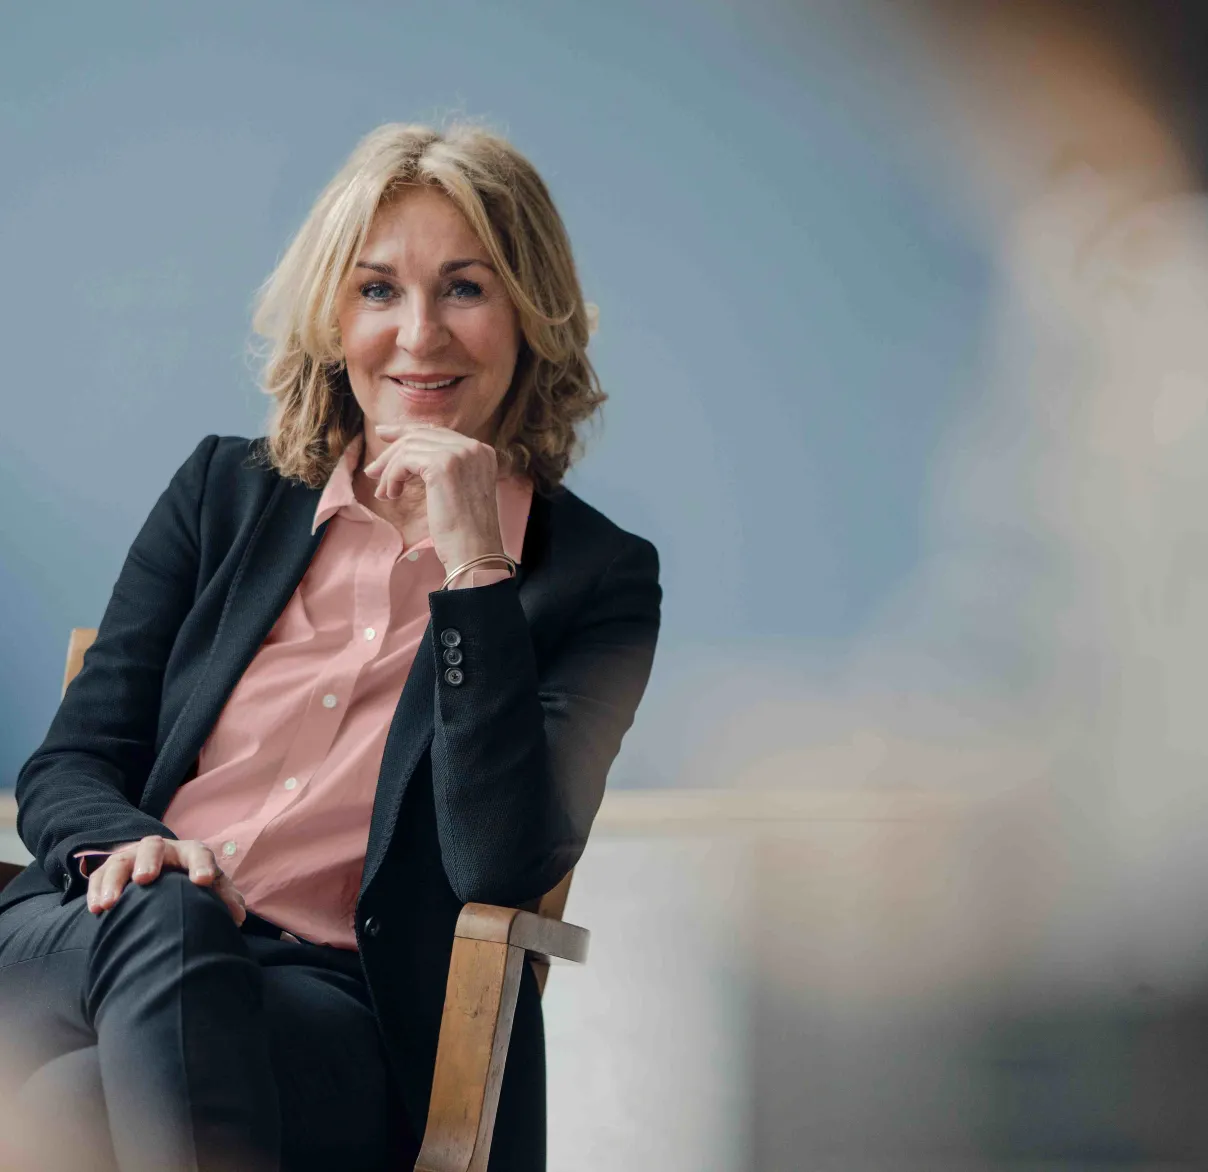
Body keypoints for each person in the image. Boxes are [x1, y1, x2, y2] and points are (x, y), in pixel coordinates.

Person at [0, 122, 661, 1172]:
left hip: (332, 1001)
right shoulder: (223, 492)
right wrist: (137, 851)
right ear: (332, 316)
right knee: (170, 920)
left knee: (74, 1100)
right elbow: (71, 762)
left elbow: (500, 857)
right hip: (103, 927)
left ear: (530, 315)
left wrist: (476, 568)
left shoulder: (595, 577)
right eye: (377, 290)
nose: (418, 336)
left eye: (464, 288)